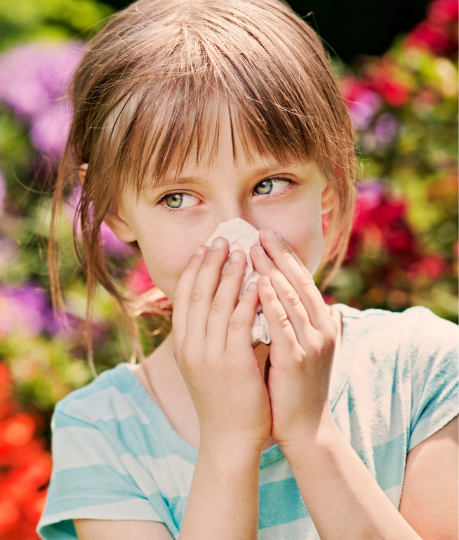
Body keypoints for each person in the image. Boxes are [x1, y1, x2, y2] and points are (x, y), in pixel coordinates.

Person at [37, 0, 459, 538]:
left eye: (269, 184)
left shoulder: (422, 369)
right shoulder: (101, 432)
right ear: (117, 209)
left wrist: (311, 435)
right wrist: (228, 442)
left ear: (329, 181)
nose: (233, 236)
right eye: (178, 197)